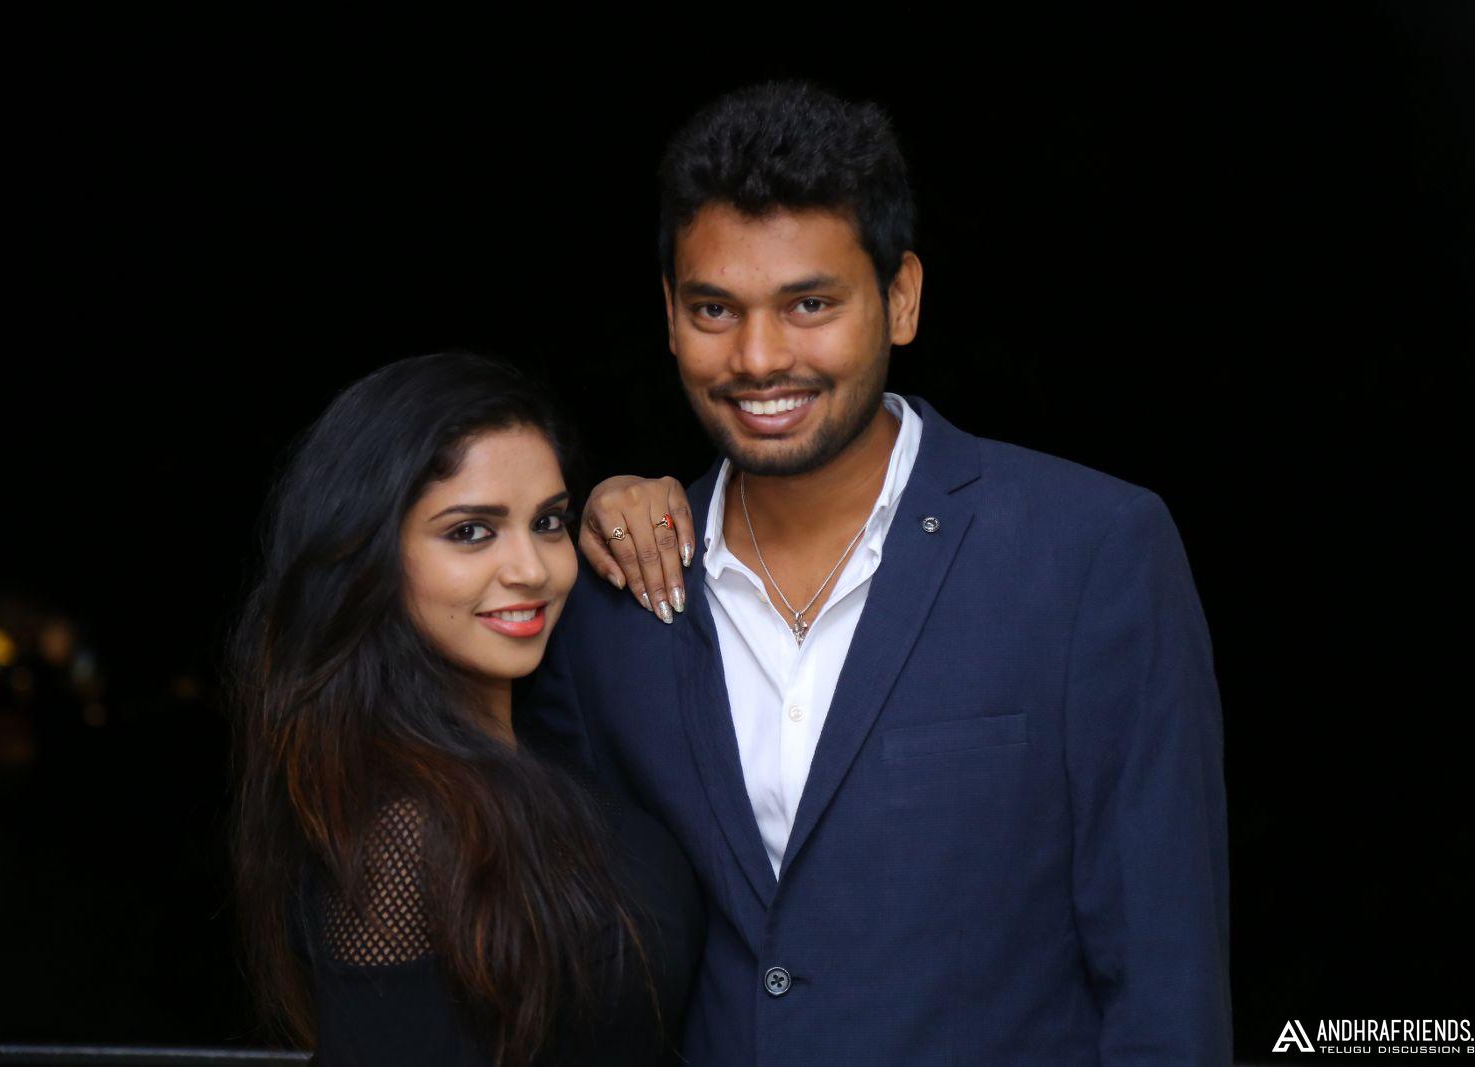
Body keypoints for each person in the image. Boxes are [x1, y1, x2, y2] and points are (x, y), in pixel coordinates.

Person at [533, 81, 1233, 1064]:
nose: (758, 356)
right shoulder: (611, 606)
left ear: (900, 297)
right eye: (715, 308)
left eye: (809, 303)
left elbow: (1165, 977)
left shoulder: (1090, 553)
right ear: (669, 314)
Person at [228, 352, 703, 1066]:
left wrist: (627, 502)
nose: (531, 569)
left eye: (548, 522)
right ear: (368, 555)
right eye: (470, 531)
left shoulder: (540, 741)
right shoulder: (402, 835)